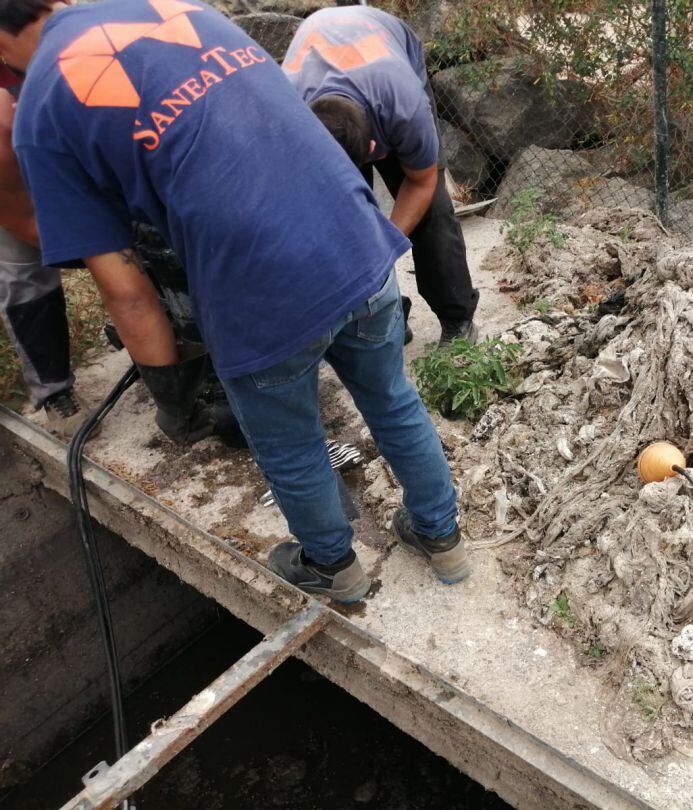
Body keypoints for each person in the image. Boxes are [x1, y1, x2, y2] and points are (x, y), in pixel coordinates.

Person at [3, 0, 469, 602]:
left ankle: (335, 568)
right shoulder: (177, 8)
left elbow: (127, 292)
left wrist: (173, 399)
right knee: (393, 400)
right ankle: (444, 541)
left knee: (291, 442)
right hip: (358, 245)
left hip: (257, 296)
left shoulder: (41, 111)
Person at [282, 4, 480, 346]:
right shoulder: (288, 110)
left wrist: (385, 246)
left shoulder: (404, 104)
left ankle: (457, 317)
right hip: (322, 52)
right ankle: (387, 313)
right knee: (346, 218)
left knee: (431, 211)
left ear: (377, 144)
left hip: (389, 49)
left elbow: (421, 181)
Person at [0, 74, 88, 437]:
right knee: (21, 269)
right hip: (6, 136)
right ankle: (54, 389)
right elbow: (19, 217)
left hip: (60, 92)